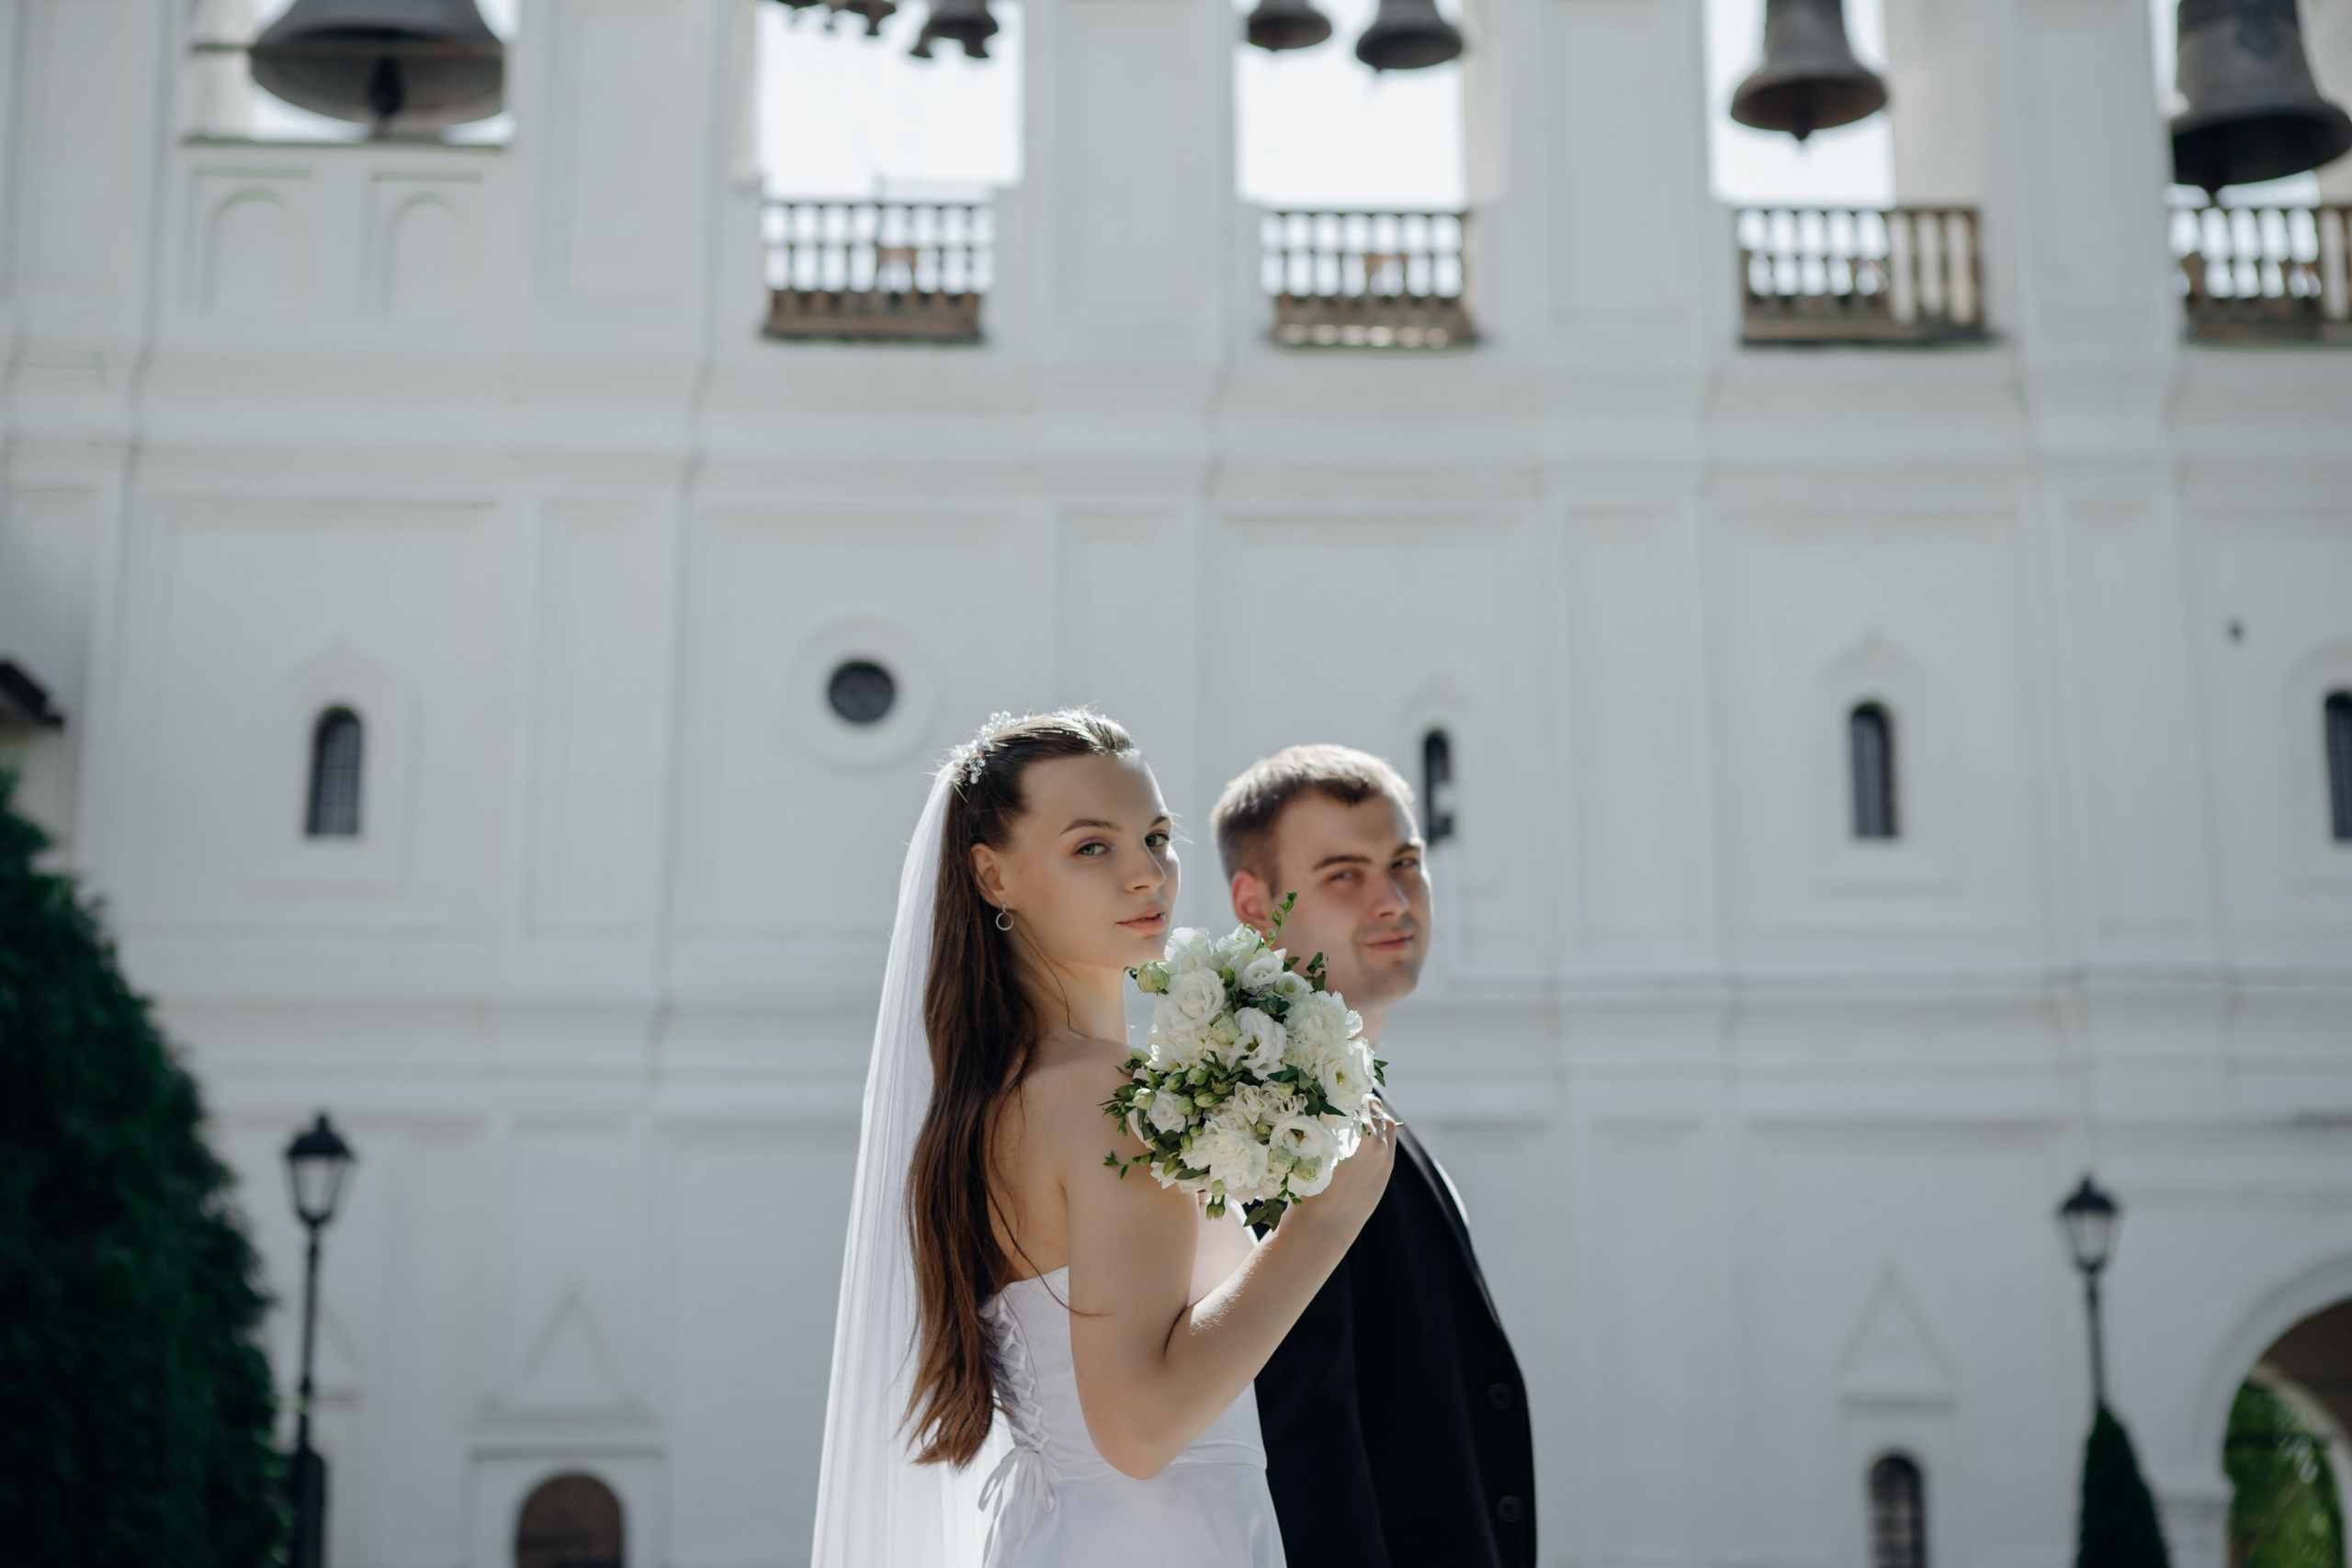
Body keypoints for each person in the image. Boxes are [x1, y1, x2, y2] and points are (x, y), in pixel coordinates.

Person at [810, 711, 1397, 1568]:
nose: (1145, 874)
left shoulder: (1003, 1100)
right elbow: (1140, 1427)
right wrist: (1320, 1228)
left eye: (1156, 837)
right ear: (992, 875)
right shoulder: (1105, 1096)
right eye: (1092, 847)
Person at [1213, 744, 1536, 1568]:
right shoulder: (1265, 1124)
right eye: (1344, 874)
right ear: (1255, 904)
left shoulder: (1365, 1105)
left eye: (1405, 863)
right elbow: (1302, 1439)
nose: (1394, 899)